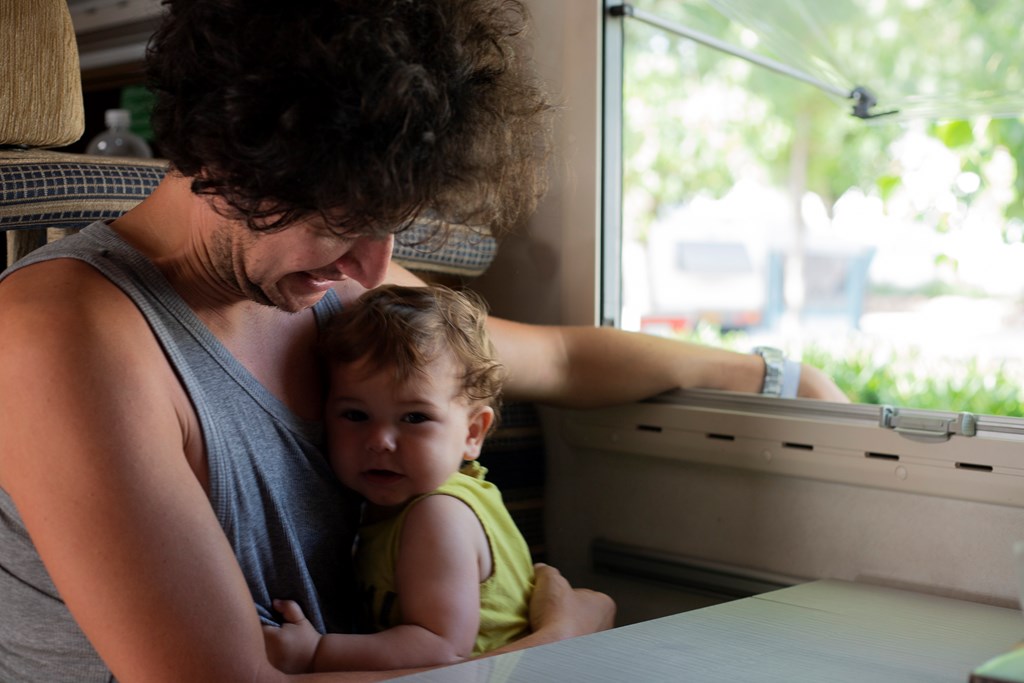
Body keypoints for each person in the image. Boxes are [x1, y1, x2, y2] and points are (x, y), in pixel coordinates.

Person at [0, 1, 846, 682]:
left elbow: (559, 359)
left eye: (391, 228)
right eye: (344, 225)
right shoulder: (60, 334)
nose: (374, 269)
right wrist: (559, 641)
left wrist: (778, 375)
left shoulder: (330, 288)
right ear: (224, 163)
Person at [264, 284, 535, 673]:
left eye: (414, 418)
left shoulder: (438, 515)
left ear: (473, 433)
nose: (379, 441)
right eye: (355, 415)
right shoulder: (390, 506)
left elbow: (443, 648)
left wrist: (316, 652)